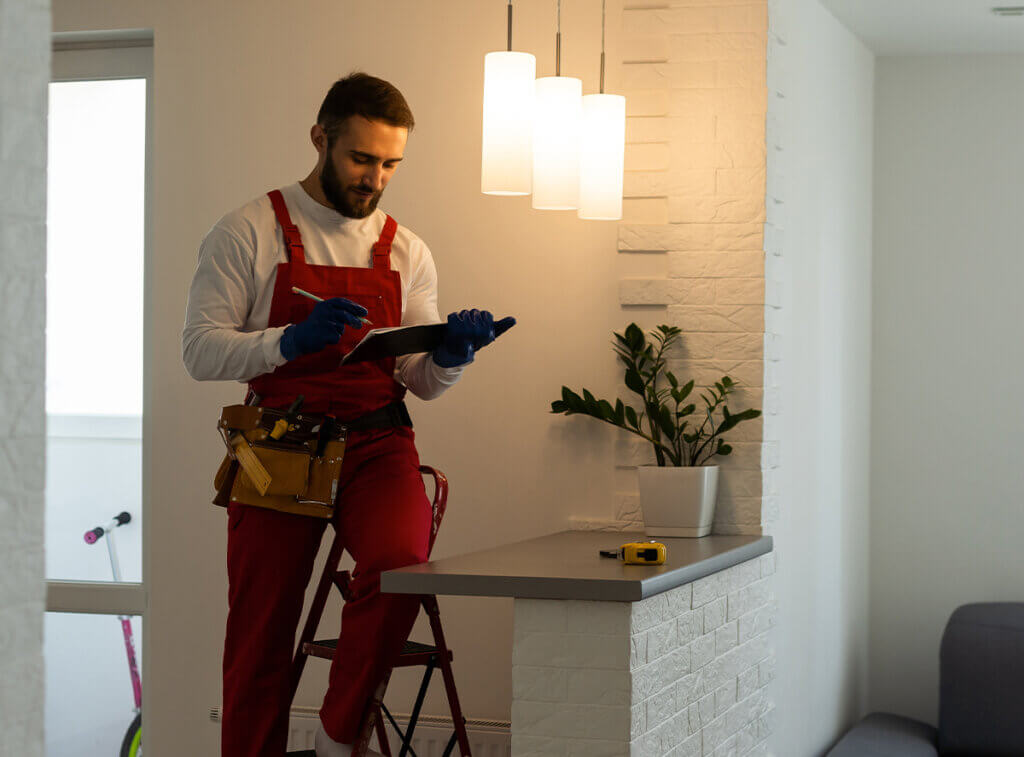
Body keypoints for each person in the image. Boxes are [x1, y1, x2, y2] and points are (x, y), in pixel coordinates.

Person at [182, 72, 514, 757]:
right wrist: (287, 342)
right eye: (362, 158)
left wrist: (451, 353)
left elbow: (419, 381)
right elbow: (198, 350)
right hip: (280, 444)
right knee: (261, 631)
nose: (375, 177)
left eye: (391, 163)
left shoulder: (407, 249)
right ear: (320, 139)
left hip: (376, 442)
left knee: (402, 566)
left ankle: (338, 737)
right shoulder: (247, 230)